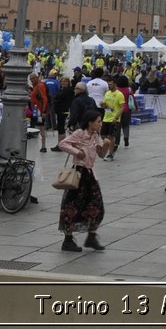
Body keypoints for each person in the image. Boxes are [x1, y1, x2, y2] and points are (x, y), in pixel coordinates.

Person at [57, 108, 106, 252]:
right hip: (78, 173)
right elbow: (63, 144)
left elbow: (101, 154)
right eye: (98, 121)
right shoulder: (79, 134)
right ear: (90, 122)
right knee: (71, 206)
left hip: (90, 174)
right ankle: (67, 240)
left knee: (97, 206)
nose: (100, 124)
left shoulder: (96, 135)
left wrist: (107, 145)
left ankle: (91, 236)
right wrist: (77, 152)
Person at [100, 81, 124, 162]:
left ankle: (111, 153)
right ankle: (109, 148)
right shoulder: (107, 93)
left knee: (110, 136)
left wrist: (116, 117)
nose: (109, 86)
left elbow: (122, 107)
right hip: (106, 117)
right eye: (108, 84)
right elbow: (105, 104)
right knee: (103, 135)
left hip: (114, 119)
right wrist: (102, 104)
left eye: (110, 84)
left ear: (114, 84)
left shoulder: (119, 94)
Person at [29, 73, 52, 154]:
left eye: (33, 78)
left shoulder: (40, 86)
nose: (32, 80)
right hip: (36, 110)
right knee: (38, 127)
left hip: (39, 111)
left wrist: (44, 111)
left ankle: (43, 146)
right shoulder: (35, 86)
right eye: (31, 79)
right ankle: (41, 145)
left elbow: (44, 98)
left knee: (41, 127)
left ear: (37, 78)